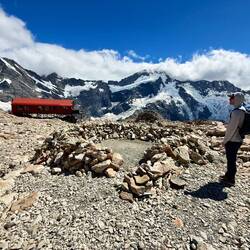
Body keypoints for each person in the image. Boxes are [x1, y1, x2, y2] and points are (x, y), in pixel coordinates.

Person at [220, 92, 246, 186]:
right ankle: (228, 175)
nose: (230, 99)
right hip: (238, 139)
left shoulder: (236, 112)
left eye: (232, 97)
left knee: (231, 160)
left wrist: (225, 141)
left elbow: (231, 129)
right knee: (231, 159)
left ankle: (231, 179)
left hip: (233, 140)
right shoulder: (242, 110)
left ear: (236, 99)